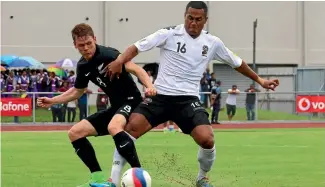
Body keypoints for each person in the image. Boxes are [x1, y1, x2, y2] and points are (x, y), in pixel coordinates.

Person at [92, 1, 279, 187]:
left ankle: (202, 178)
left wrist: (261, 81)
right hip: (160, 97)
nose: (193, 23)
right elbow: (137, 47)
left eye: (198, 19)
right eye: (190, 18)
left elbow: (237, 63)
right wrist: (119, 61)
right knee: (129, 130)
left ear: (205, 20)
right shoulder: (169, 33)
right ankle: (113, 181)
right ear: (185, 16)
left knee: (207, 139)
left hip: (188, 100)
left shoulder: (212, 43)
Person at [37, 23, 156, 187]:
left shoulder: (109, 54)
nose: (86, 48)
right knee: (75, 133)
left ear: (94, 39)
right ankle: (98, 179)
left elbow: (137, 70)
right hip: (116, 107)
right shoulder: (83, 65)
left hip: (131, 101)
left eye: (89, 44)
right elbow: (77, 92)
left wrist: (149, 86)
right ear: (75, 45)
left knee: (114, 127)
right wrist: (52, 100)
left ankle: (138, 175)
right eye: (81, 45)